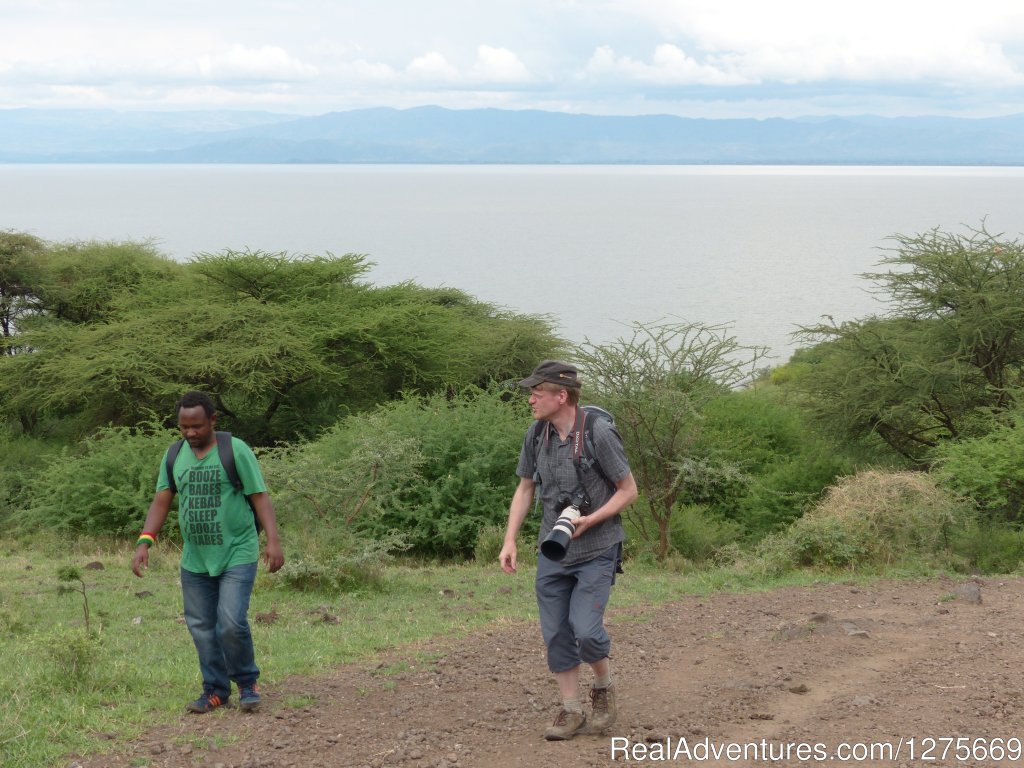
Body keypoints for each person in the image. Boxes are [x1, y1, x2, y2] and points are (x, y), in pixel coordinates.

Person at [499, 360, 638, 740]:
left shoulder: (598, 433)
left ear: (562, 396)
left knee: (586, 631)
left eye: (537, 393)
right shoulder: (536, 434)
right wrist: (510, 539)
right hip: (553, 549)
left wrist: (592, 520)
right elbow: (525, 488)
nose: (530, 400)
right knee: (557, 632)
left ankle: (605, 687)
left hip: (597, 547)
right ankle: (571, 709)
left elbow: (629, 490)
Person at [132, 391, 284, 714]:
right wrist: (145, 540)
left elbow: (259, 496)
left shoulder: (235, 450)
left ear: (213, 420)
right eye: (184, 427)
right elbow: (162, 500)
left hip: (237, 552)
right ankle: (215, 689)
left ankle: (246, 682)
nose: (190, 433)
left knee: (230, 622)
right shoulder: (174, 456)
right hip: (195, 559)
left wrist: (273, 541)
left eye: (197, 426)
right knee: (200, 624)